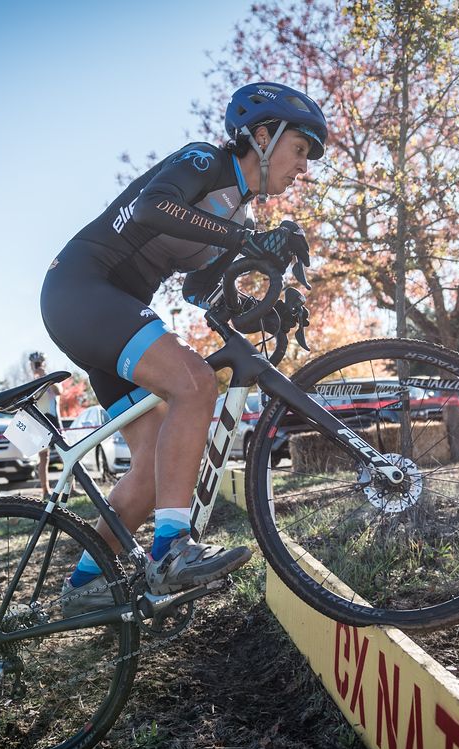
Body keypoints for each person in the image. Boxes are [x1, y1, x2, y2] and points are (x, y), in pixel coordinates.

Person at [40, 82, 327, 614]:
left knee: (152, 468)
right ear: (262, 137)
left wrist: (273, 303)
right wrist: (244, 242)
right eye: (300, 150)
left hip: (108, 315)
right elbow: (153, 207)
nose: (303, 168)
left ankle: (84, 587)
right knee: (194, 383)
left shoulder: (237, 216)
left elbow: (207, 297)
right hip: (83, 290)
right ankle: (172, 550)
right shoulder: (205, 161)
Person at [28, 352, 61, 492]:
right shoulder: (30, 382)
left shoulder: (50, 379)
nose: (38, 365)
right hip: (40, 421)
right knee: (43, 457)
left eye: (40, 362)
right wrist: (36, 377)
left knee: (65, 455)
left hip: (54, 419)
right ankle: (45, 490)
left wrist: (45, 376)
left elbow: (58, 391)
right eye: (35, 363)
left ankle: (70, 488)